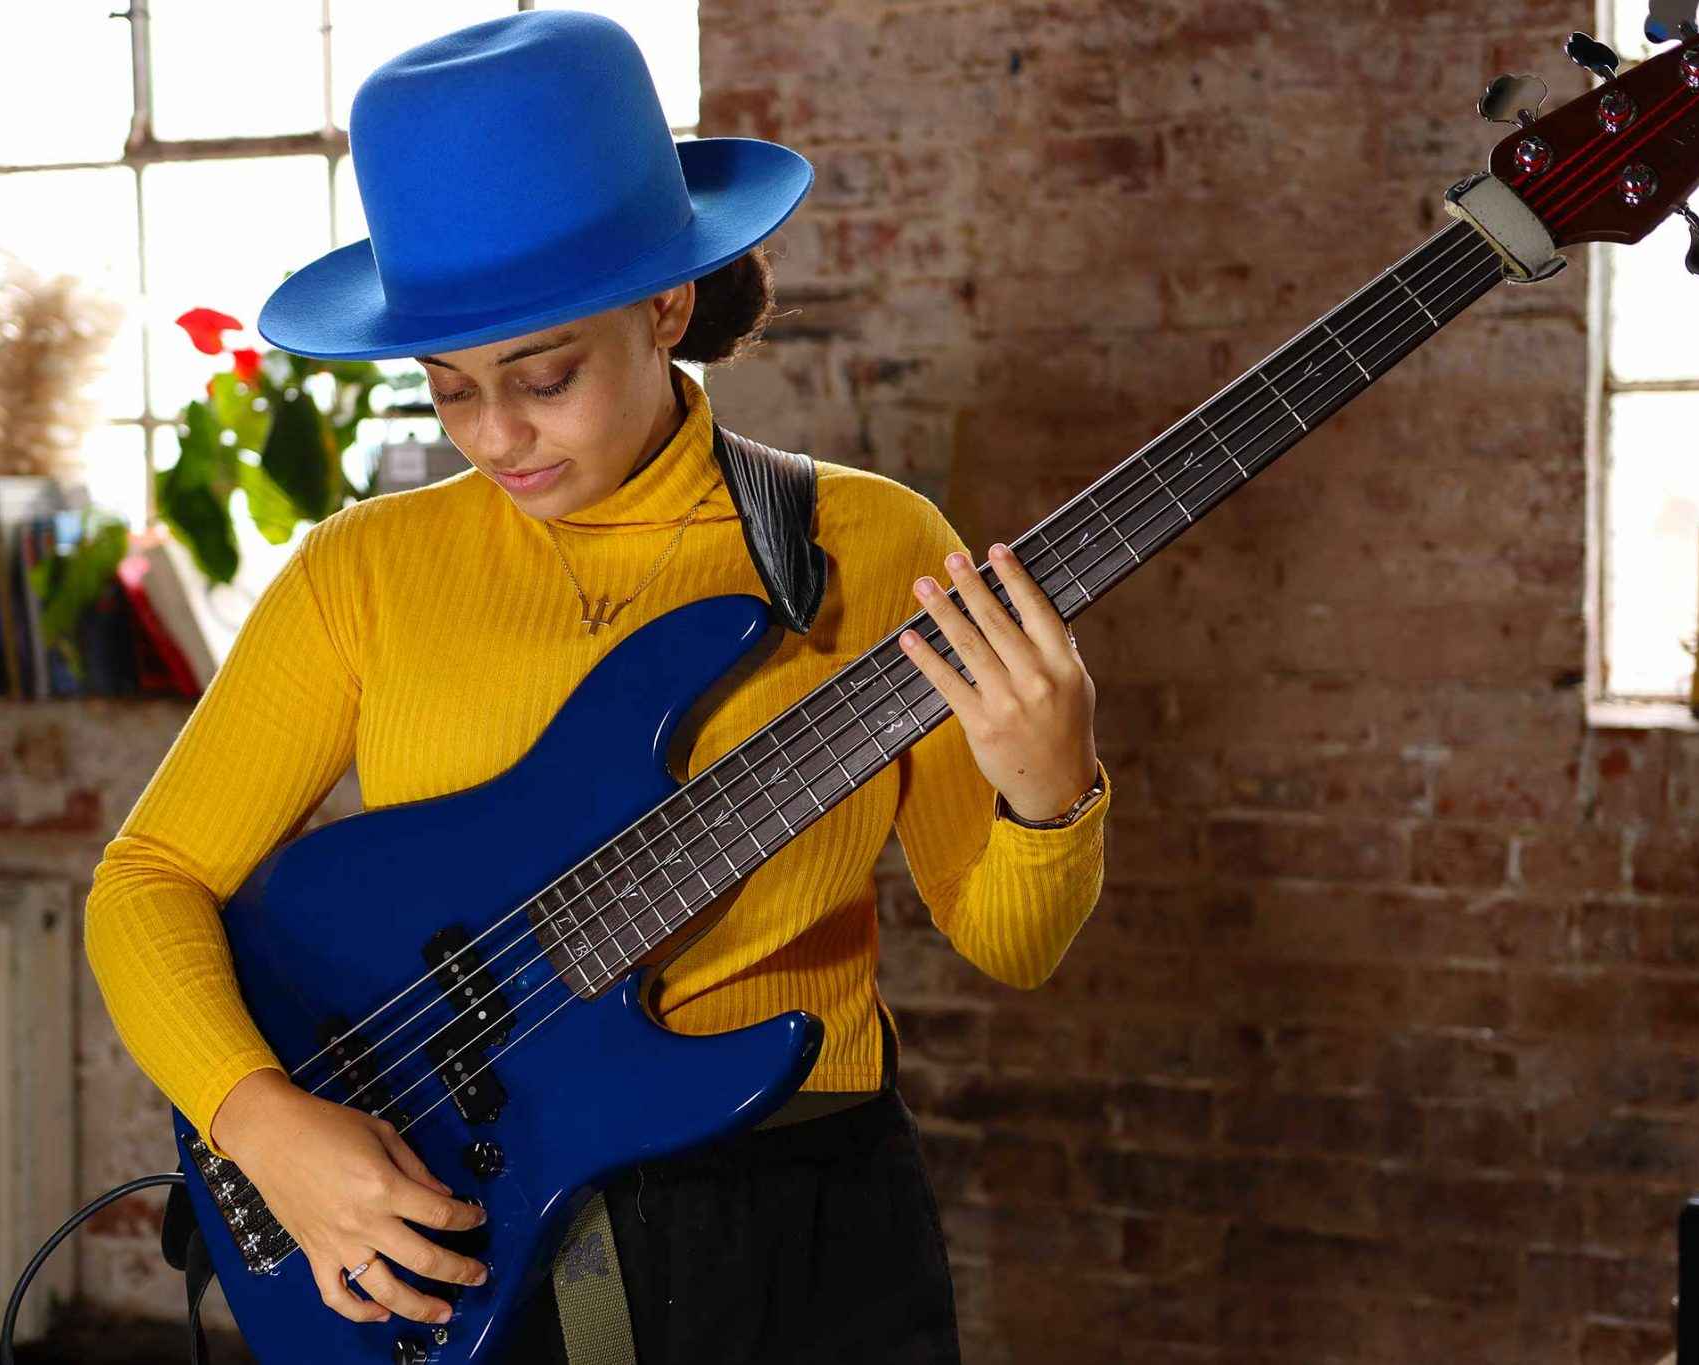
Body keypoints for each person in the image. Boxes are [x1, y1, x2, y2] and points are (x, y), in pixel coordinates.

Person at [83, 11, 1111, 1364]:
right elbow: (146, 878)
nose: (497, 435)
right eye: (450, 390)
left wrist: (1050, 791)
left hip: (813, 1225)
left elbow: (1012, 946)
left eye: (545, 377)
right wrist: (262, 1123)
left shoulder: (869, 545)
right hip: (487, 1217)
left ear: (665, 306)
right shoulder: (363, 572)